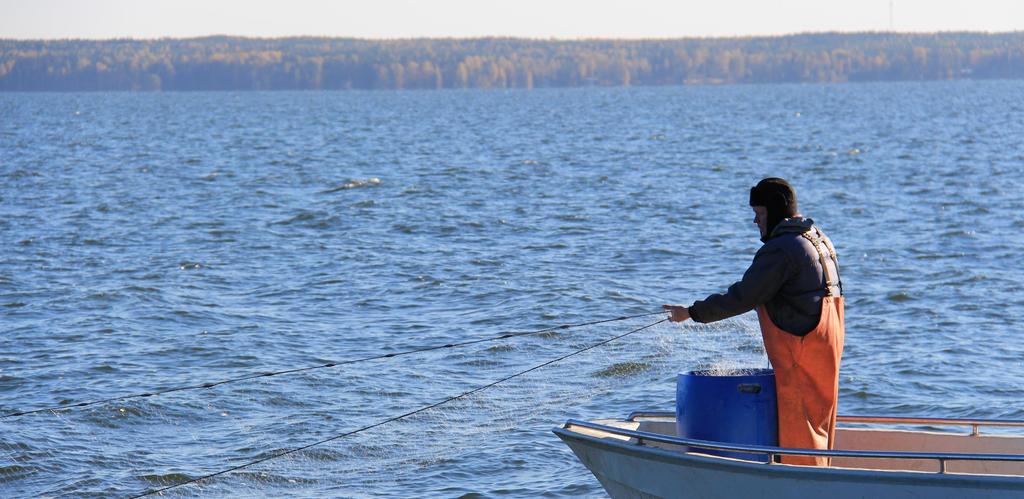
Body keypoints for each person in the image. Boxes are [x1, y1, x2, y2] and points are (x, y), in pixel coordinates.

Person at [663, 177, 844, 466]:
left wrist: (691, 312)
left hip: (800, 354)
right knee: (817, 422)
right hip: (825, 351)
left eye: (759, 214)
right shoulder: (817, 238)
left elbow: (743, 296)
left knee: (801, 433)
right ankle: (817, 474)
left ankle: (802, 485)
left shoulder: (783, 249)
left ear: (775, 211)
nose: (756, 222)